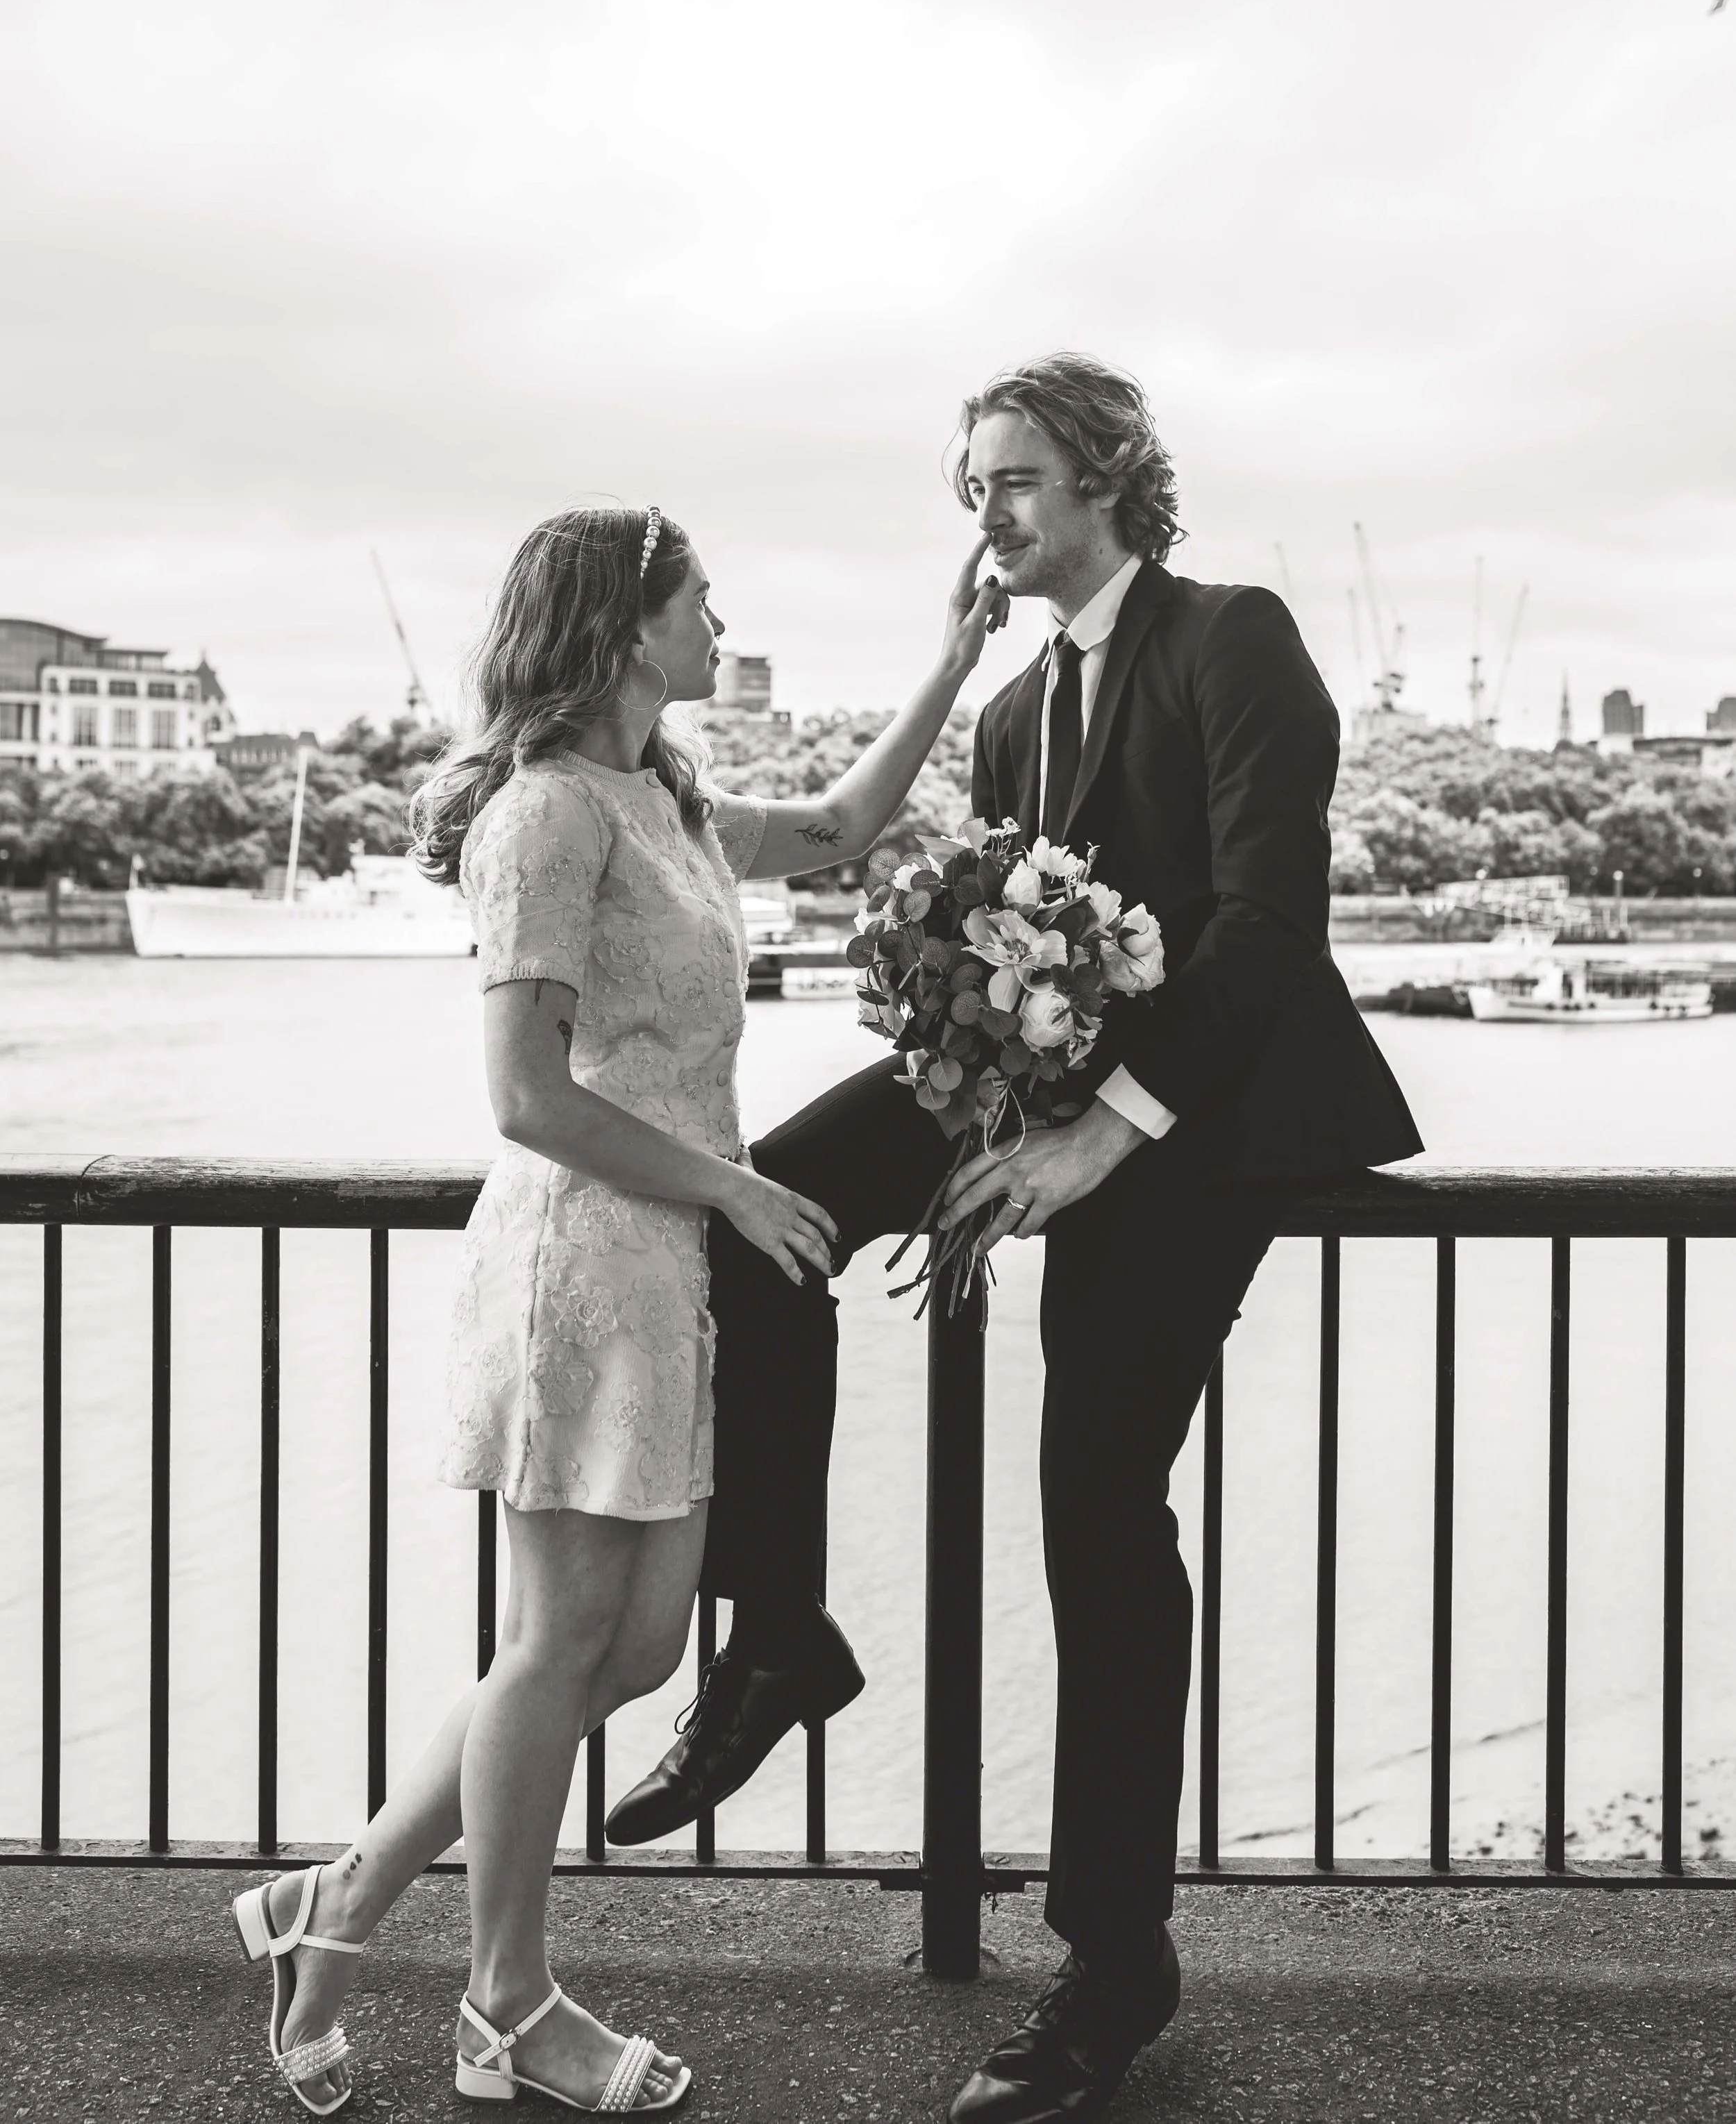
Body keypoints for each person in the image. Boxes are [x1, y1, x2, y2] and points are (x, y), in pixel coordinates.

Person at [608, 357, 1423, 2124]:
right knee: (761, 1210)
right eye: (972, 485)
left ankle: (1111, 1976)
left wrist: (1093, 1137)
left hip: (1194, 1133)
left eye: (1016, 482)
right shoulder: (1004, 714)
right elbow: (1001, 939)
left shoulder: (1233, 637)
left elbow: (1267, 929)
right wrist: (972, 1077)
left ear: (1111, 481)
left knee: (1093, 1509)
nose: (984, 514)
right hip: (1032, 1086)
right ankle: (777, 1637)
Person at [228, 500, 1006, 2118]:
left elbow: (854, 825)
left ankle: (340, 1900)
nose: (720, 624)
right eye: (700, 601)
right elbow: (522, 1095)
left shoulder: (667, 801)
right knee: (563, 1641)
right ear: (621, 626)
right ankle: (505, 2005)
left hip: (668, 1272)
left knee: (635, 1648)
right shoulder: (545, 819)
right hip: (583, 1259)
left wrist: (951, 655)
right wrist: (729, 1186)